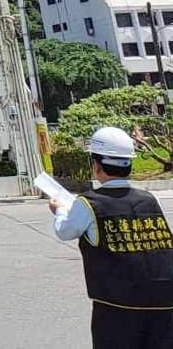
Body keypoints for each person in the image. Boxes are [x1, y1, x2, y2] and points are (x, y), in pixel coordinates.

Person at [49, 126, 173, 347]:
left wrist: (59, 210)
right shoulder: (148, 199)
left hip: (117, 305)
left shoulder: (89, 202)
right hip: (164, 302)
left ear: (96, 166)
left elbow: (65, 230)